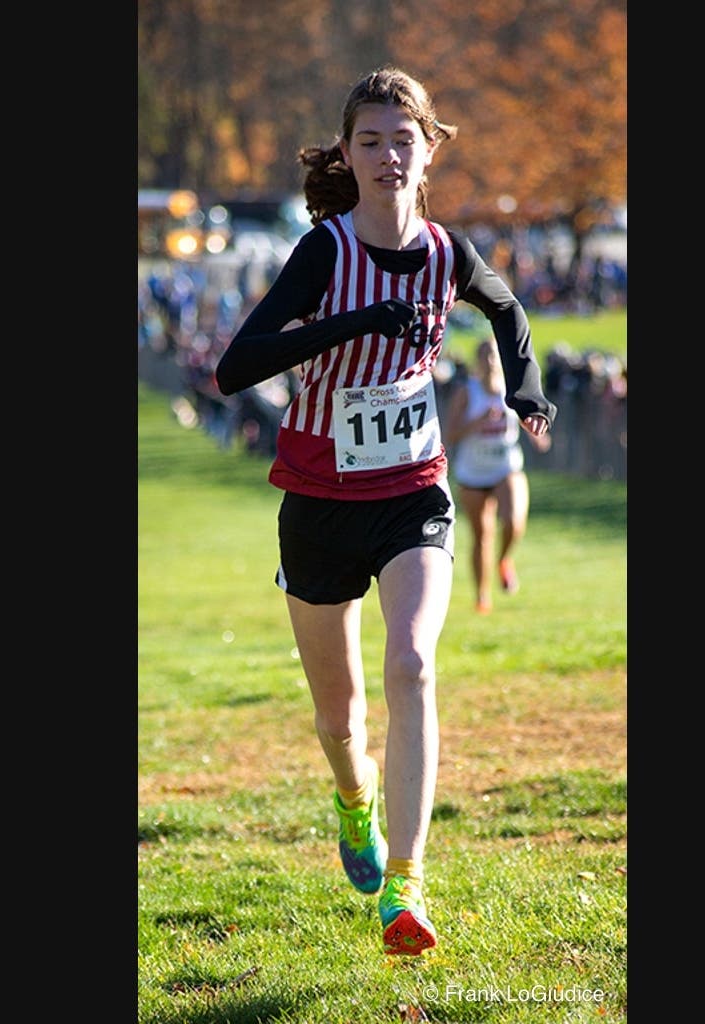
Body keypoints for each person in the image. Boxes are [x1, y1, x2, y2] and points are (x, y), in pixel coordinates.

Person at [214, 66, 556, 956]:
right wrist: (351, 324)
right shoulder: (325, 251)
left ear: (427, 149)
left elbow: (509, 313)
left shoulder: (449, 254)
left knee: (411, 663)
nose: (386, 155)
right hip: (319, 503)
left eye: (402, 138)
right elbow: (237, 365)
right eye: (369, 140)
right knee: (341, 720)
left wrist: (526, 394)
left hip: (411, 492)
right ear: (347, 154)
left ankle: (406, 886)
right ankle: (352, 798)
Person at [446, 338, 552, 614]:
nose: (490, 360)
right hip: (473, 471)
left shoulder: (512, 390)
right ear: (477, 362)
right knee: (482, 535)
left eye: (494, 354)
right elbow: (451, 435)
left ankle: (504, 559)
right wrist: (478, 422)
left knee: (514, 520)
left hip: (507, 466)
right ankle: (482, 596)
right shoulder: (466, 393)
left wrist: (536, 433)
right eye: (484, 356)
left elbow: (527, 418)